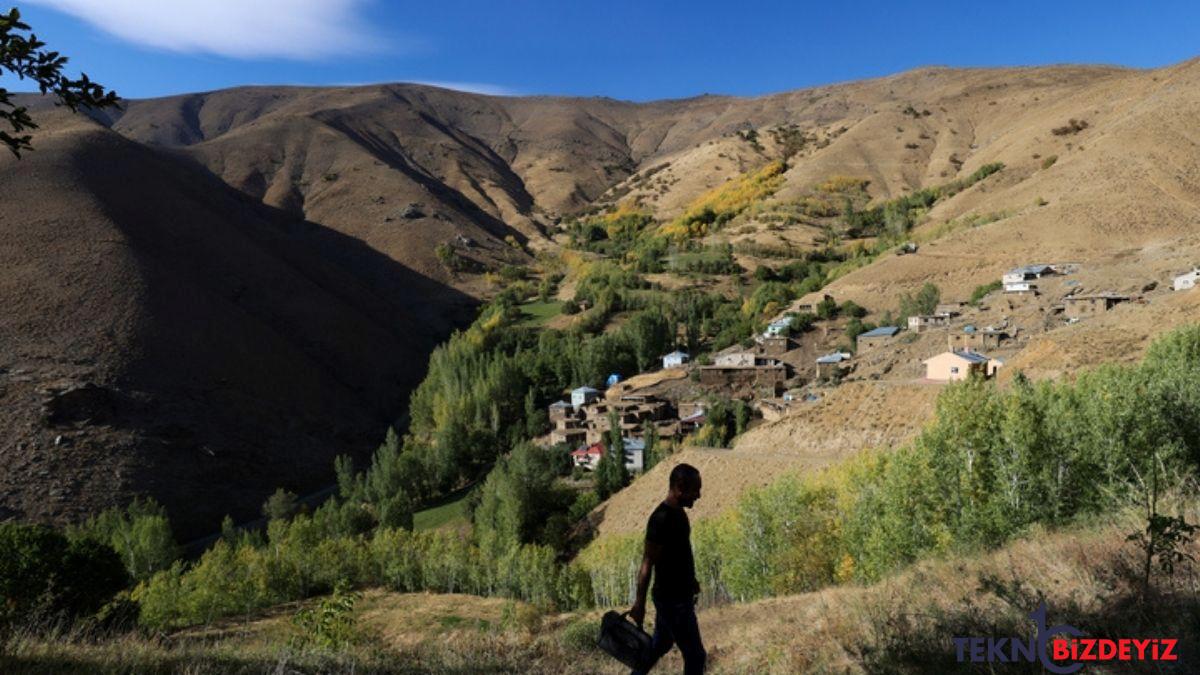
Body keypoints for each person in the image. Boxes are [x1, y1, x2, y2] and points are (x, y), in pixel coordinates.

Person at [628, 463, 705, 674]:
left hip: (678, 596)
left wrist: (691, 580)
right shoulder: (660, 520)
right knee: (696, 656)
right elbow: (647, 565)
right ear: (679, 487)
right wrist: (639, 603)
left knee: (660, 644)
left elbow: (679, 555)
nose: (698, 495)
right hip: (673, 601)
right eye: (695, 489)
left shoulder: (679, 513)